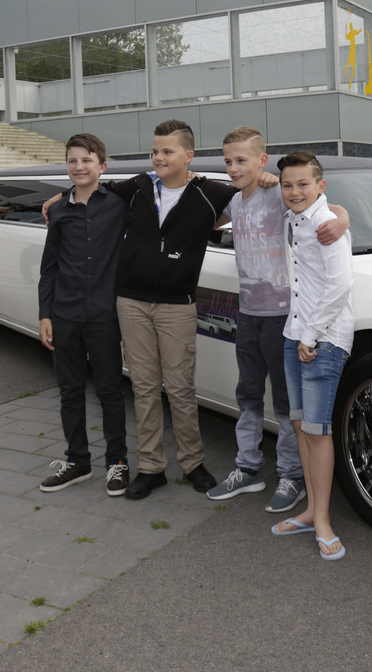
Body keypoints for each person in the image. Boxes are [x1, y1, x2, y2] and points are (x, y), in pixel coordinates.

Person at [206, 126, 348, 513]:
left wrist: (343, 217)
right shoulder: (234, 202)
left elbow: (323, 204)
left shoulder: (279, 193)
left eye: (242, 160)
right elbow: (205, 216)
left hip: (283, 316)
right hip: (248, 313)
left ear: (262, 160)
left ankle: (291, 474)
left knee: (285, 403)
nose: (234, 168)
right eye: (228, 162)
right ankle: (248, 467)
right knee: (248, 393)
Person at [107, 120, 241, 500]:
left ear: (188, 155)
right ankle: (151, 468)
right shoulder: (137, 187)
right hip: (131, 303)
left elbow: (258, 195)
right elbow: (93, 192)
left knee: (180, 388)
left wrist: (337, 213)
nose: (159, 158)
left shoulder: (212, 193)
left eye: (167, 151)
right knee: (144, 388)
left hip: (177, 307)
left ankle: (192, 462)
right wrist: (58, 198)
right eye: (155, 151)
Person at [37, 133, 131, 497]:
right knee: (70, 391)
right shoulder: (59, 210)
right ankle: (77, 461)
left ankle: (117, 462)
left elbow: (155, 182)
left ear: (102, 166)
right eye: (72, 161)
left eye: (87, 160)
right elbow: (49, 268)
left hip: (105, 315)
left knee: (110, 390)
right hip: (65, 314)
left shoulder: (119, 204)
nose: (79, 167)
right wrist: (45, 314)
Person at [270, 151, 353, 561]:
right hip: (295, 333)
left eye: (304, 183)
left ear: (320, 186)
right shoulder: (293, 218)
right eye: (287, 184)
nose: (294, 191)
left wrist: (312, 334)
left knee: (319, 432)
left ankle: (322, 520)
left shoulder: (326, 224)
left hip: (323, 338)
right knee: (301, 425)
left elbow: (340, 286)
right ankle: (309, 511)